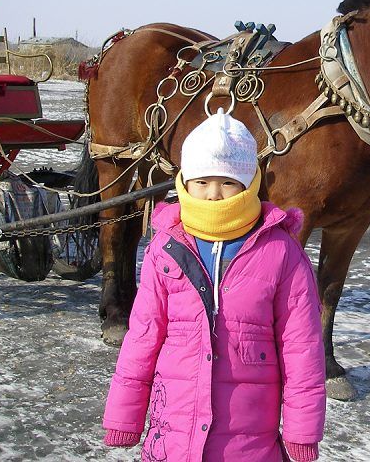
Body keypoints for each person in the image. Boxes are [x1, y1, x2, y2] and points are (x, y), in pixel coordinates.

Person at [102, 109, 326, 461]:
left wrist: (302, 430)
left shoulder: (280, 251)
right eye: (202, 181)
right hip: (174, 429)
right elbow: (143, 334)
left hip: (248, 437)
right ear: (185, 181)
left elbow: (302, 346)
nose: (214, 194)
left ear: (248, 183)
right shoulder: (167, 246)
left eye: (228, 181)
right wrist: (124, 416)